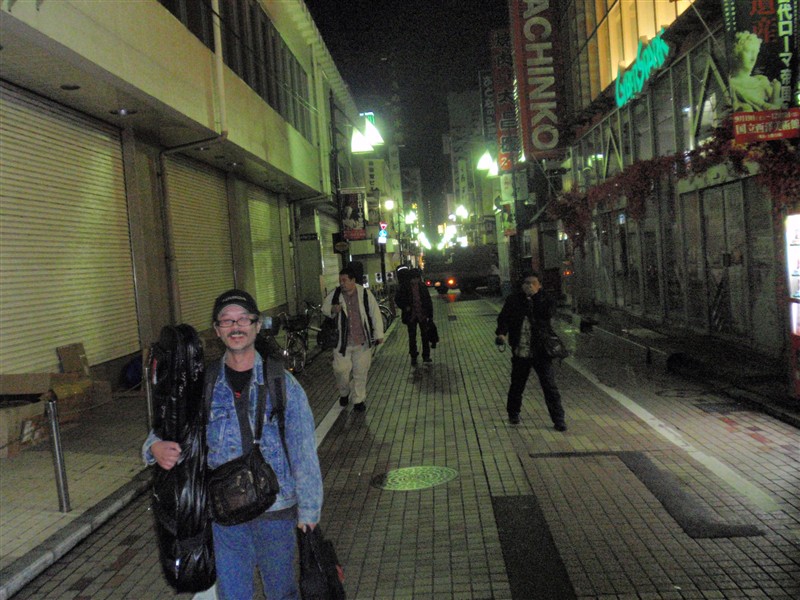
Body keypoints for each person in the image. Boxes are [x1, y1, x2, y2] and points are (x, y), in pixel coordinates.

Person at [143, 289, 323, 599]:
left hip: (276, 509)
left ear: (257, 325)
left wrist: (309, 511)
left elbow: (303, 451)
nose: (235, 326)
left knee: (281, 593)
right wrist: (153, 448)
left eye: (243, 319)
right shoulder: (204, 384)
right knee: (233, 595)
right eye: (226, 321)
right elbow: (169, 422)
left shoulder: (282, 383)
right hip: (224, 513)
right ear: (217, 330)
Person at [495, 272, 566, 430]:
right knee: (517, 384)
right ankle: (513, 413)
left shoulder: (545, 299)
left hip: (541, 351)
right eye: (526, 283)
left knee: (549, 386)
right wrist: (501, 333)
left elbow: (547, 315)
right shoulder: (513, 300)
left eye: (533, 283)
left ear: (539, 285)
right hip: (521, 350)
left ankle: (559, 419)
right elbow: (504, 318)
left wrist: (534, 299)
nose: (529, 286)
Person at [322, 266, 384, 412]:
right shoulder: (335, 294)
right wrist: (333, 309)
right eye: (340, 280)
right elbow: (324, 308)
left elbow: (375, 313)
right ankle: (344, 392)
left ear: (353, 280)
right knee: (340, 371)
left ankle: (358, 400)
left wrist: (379, 334)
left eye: (344, 280)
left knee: (361, 373)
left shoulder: (365, 294)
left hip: (362, 342)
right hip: (341, 343)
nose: (342, 283)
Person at [729, 31, 782, 112]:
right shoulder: (731, 84)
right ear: (737, 53)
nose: (753, 58)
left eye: (755, 53)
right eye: (749, 52)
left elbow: (775, 110)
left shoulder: (761, 80)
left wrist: (776, 90)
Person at [394, 268, 434, 366]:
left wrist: (430, 315)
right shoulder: (405, 287)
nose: (417, 280)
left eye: (418, 278)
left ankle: (426, 356)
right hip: (411, 316)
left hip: (422, 315)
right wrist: (405, 307)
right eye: (415, 278)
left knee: (424, 336)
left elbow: (428, 301)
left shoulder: (422, 286)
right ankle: (414, 356)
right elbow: (397, 299)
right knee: (412, 337)